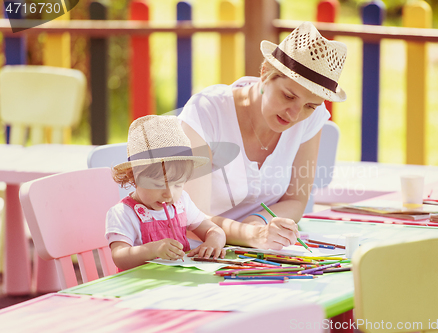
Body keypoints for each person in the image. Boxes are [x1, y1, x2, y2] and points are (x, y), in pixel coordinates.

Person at [178, 22, 347, 250]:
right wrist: (251, 235)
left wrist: (258, 223)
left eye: (309, 106)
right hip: (199, 254)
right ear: (265, 73)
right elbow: (192, 217)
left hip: (261, 252)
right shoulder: (207, 111)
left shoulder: (310, 119)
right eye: (288, 96)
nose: (295, 115)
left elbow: (296, 200)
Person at [105, 115, 226, 271]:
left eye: (178, 184)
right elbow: (119, 257)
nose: (169, 194)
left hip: (178, 283)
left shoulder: (181, 203)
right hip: (140, 288)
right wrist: (152, 250)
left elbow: (215, 230)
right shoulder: (123, 213)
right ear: (133, 177)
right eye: (158, 184)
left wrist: (213, 243)